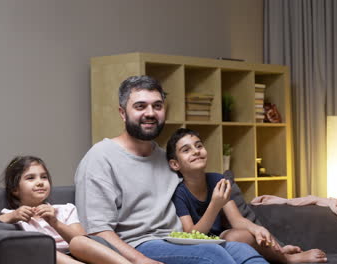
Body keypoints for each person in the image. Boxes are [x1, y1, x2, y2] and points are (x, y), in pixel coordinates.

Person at [74, 75, 268, 264]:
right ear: (122, 113)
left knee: (242, 250)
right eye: (140, 106)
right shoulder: (100, 158)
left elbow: (199, 196)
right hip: (138, 245)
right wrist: (140, 260)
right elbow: (97, 232)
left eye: (157, 106)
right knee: (211, 254)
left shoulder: (166, 159)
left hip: (183, 240)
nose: (150, 113)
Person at [165, 128, 328, 264]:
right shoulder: (179, 192)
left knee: (239, 234)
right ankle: (286, 259)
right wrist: (215, 205)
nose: (195, 151)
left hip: (222, 239)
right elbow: (191, 233)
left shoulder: (218, 180)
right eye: (186, 150)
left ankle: (279, 253)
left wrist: (257, 228)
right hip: (199, 246)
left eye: (198, 146)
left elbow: (237, 220)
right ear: (175, 164)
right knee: (233, 238)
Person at [0, 155, 132, 264]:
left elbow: (84, 240)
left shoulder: (65, 209)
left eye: (44, 177)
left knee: (78, 242)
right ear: (14, 189)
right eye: (30, 178)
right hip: (50, 258)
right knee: (46, 250)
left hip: (83, 255)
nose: (40, 182)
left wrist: (55, 222)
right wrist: (12, 215)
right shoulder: (13, 216)